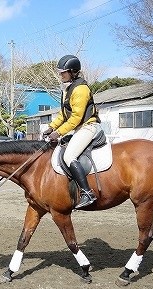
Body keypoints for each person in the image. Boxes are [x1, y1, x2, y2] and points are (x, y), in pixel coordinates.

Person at [43, 54, 102, 208]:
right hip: (79, 128)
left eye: (63, 72)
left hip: (89, 126)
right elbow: (64, 114)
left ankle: (87, 192)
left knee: (69, 155)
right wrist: (51, 127)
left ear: (73, 72)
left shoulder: (81, 89)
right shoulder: (67, 89)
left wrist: (58, 133)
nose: (60, 75)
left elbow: (76, 118)